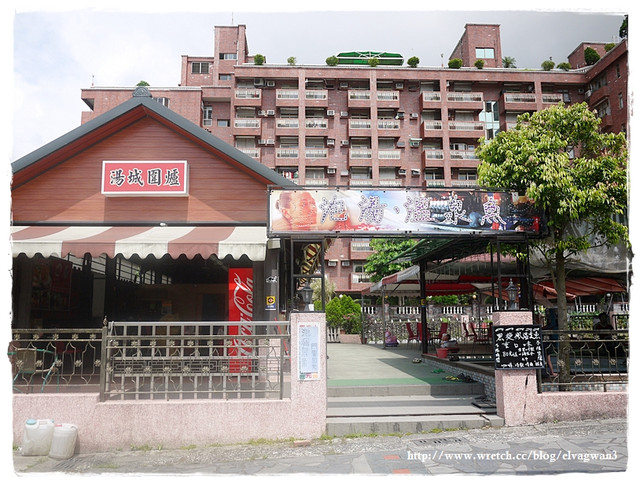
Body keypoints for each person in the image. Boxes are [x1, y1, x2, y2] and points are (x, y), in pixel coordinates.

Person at [542, 308, 558, 377]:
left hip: (547, 343)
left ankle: (551, 372)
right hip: (548, 343)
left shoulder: (552, 325)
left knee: (547, 358)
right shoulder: (554, 324)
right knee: (548, 358)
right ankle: (551, 372)